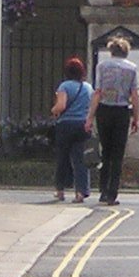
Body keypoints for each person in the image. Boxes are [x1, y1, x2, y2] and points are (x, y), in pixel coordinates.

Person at [90, 34, 139, 206]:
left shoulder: (102, 66)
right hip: (121, 112)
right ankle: (112, 193)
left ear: (111, 50)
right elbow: (134, 94)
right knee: (118, 155)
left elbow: (97, 92)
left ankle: (103, 191)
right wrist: (136, 117)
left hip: (104, 111)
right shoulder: (132, 68)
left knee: (106, 152)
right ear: (126, 52)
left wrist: (90, 117)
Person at [50, 56, 93, 204]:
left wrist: (53, 109)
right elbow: (92, 106)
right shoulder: (88, 87)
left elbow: (61, 106)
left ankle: (60, 190)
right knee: (81, 160)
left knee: (62, 158)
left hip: (66, 125)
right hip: (83, 125)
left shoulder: (64, 86)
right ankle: (81, 192)